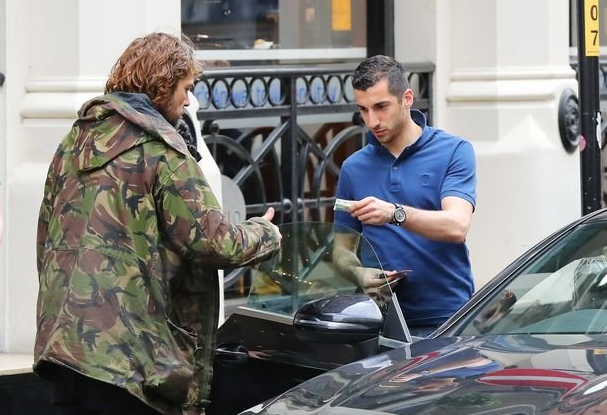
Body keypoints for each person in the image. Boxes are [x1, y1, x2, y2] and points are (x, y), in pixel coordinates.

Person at [34, 32, 282, 415]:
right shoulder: (161, 150)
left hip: (64, 348)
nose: (188, 100)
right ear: (161, 84)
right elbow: (213, 241)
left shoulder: (74, 141)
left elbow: (46, 239)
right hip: (127, 362)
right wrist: (265, 233)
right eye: (185, 88)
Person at [333, 55, 476, 338]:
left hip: (447, 319)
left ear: (407, 98)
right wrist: (359, 274)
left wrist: (394, 213)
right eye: (363, 109)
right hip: (379, 321)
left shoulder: (454, 151)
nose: (372, 120)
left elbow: (457, 226)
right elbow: (341, 251)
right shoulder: (353, 168)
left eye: (381, 107)